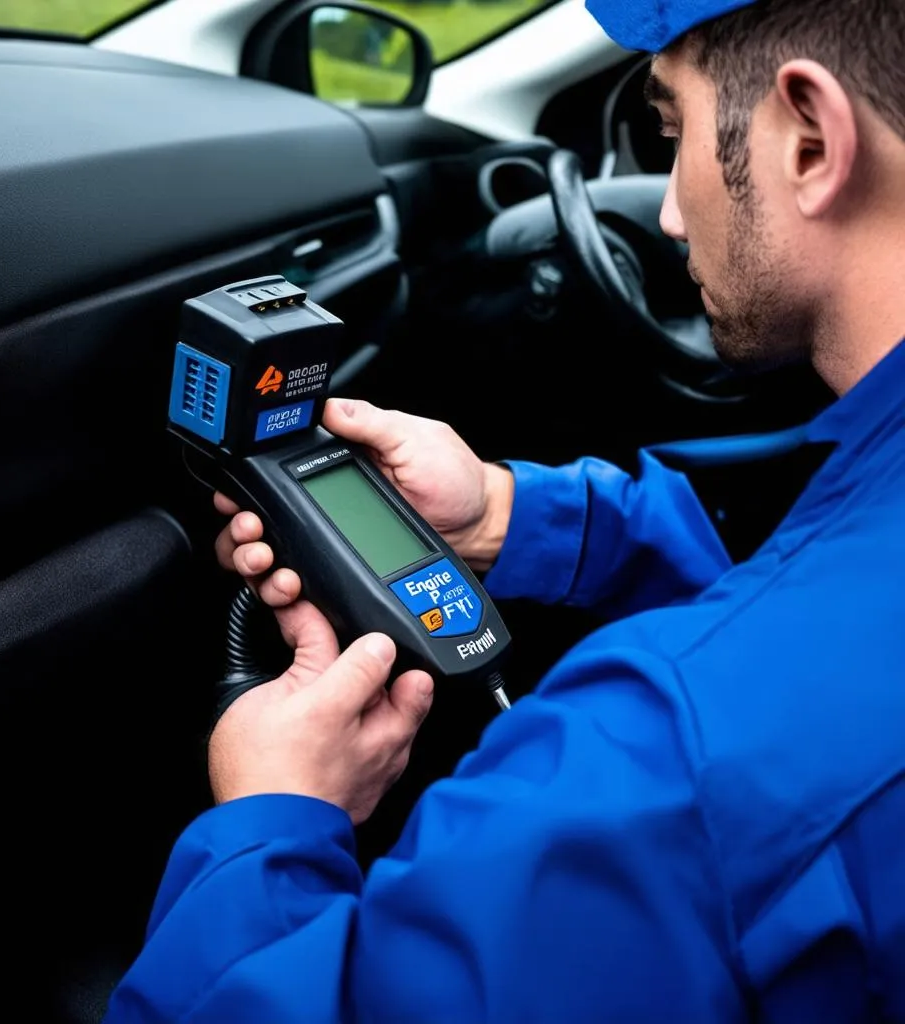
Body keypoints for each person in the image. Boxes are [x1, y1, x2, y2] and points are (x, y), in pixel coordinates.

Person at [105, 0, 905, 1018]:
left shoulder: (668, 764)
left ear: (808, 139)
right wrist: (503, 513)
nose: (665, 211)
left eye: (674, 132)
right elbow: (795, 567)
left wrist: (274, 813)